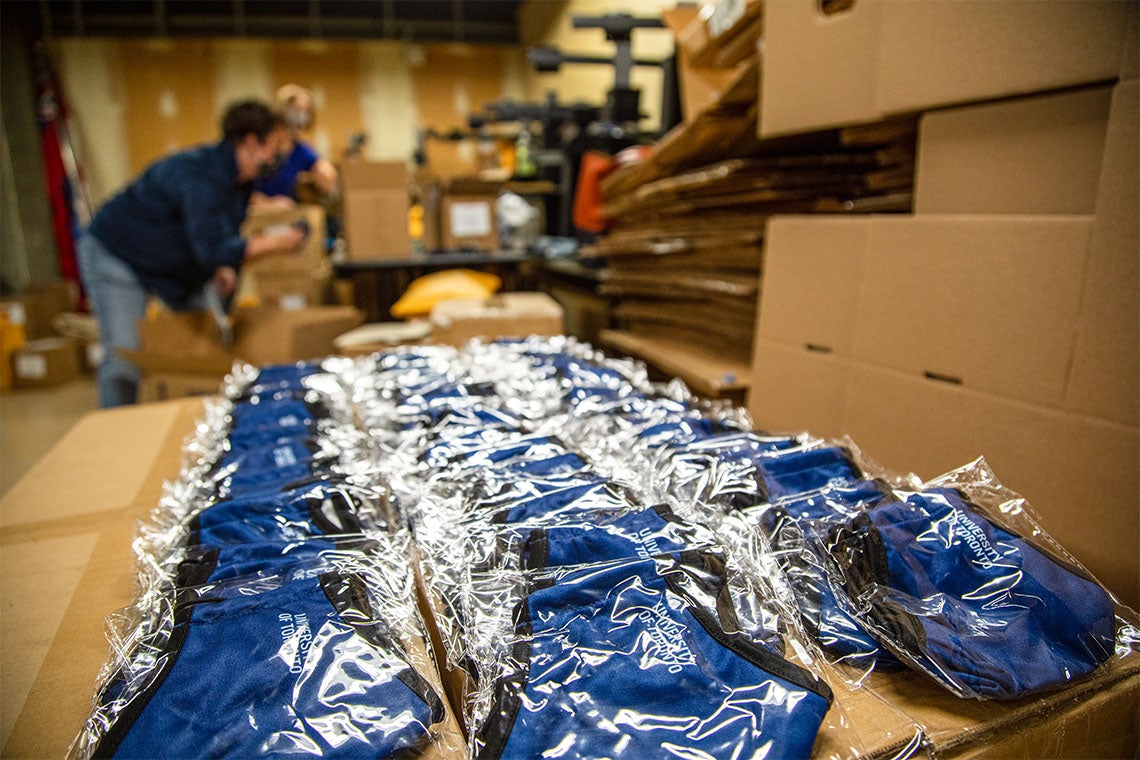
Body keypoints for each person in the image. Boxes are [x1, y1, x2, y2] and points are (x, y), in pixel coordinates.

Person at [77, 99, 306, 408]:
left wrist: (223, 268)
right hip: (119, 254)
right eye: (275, 146)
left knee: (209, 342)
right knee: (124, 356)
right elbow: (211, 248)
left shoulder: (241, 185)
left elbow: (215, 237)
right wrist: (273, 244)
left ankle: (207, 421)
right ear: (252, 142)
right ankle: (116, 431)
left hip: (173, 265)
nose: (280, 156)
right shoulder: (199, 175)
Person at [251, 84, 339, 207]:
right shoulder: (258, 145)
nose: (301, 117)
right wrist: (267, 203)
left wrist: (326, 175)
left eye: (306, 112)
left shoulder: (301, 151)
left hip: (284, 218)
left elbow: (325, 170)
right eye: (297, 110)